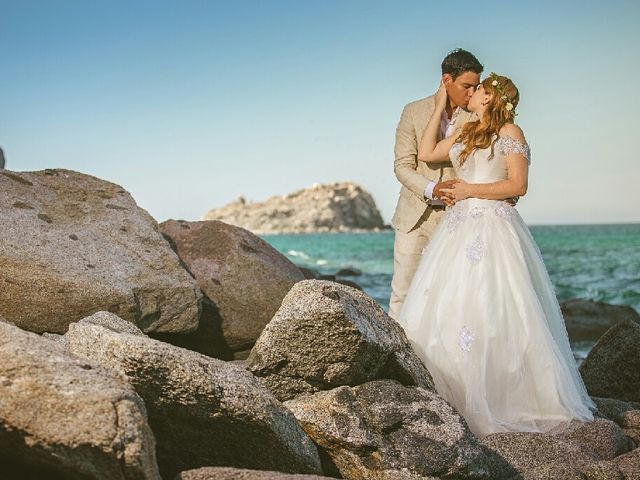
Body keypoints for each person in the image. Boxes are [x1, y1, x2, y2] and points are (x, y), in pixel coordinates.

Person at [396, 73, 596, 437]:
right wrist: (441, 103)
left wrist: (470, 188)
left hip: (492, 225)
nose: (471, 94)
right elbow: (426, 153)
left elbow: (518, 186)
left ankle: (505, 397)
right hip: (458, 228)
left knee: (494, 303)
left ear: (489, 97)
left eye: (478, 89)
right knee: (451, 303)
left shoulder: (511, 133)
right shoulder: (468, 131)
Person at [388, 49, 483, 320]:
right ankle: (396, 361)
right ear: (446, 81)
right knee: (403, 295)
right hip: (413, 218)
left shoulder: (477, 117)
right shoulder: (413, 111)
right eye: (466, 86)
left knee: (449, 297)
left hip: (457, 219)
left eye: (476, 86)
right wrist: (433, 189)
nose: (472, 92)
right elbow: (402, 166)